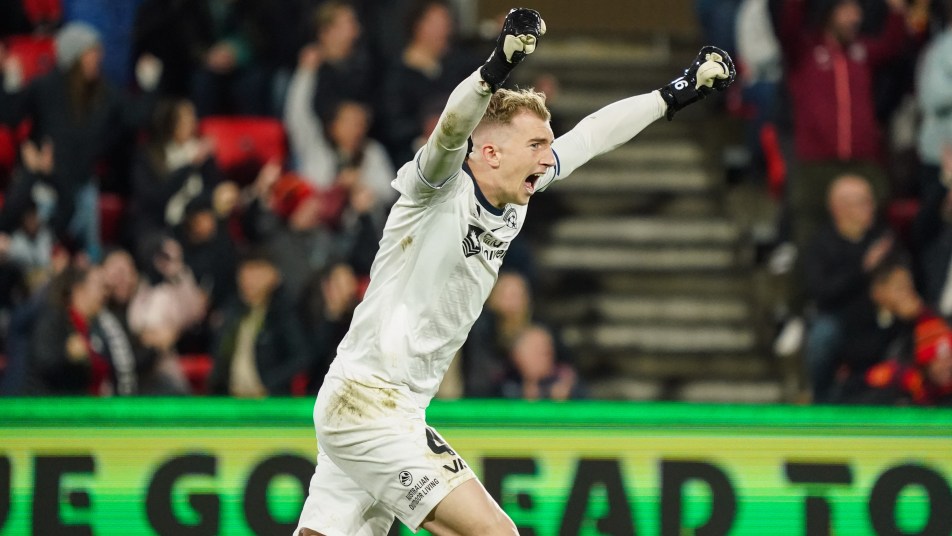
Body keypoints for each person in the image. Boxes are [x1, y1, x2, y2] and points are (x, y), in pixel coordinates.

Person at [294, 8, 735, 535]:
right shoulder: (435, 186)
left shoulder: (516, 195)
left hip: (384, 405)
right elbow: (453, 125)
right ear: (489, 151)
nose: (548, 158)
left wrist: (675, 92)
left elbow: (593, 135)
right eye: (536, 145)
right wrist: (495, 68)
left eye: (548, 145)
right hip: (372, 403)